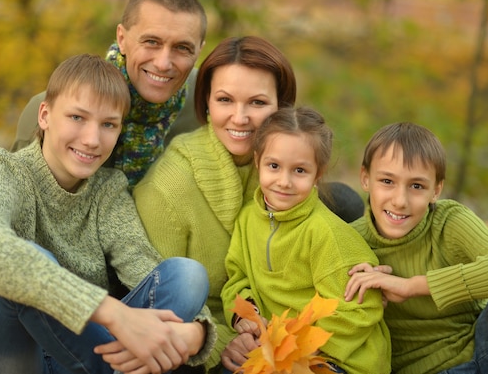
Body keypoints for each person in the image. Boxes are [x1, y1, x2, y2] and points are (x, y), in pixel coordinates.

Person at [0, 54, 216, 374]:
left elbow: (142, 264)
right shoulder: (1, 170)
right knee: (27, 261)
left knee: (187, 276)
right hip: (3, 356)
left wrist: (196, 333)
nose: (91, 139)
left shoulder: (107, 190)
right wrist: (113, 313)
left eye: (108, 125)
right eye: (77, 117)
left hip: (74, 354)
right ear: (44, 115)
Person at [133, 36, 364, 373]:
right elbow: (162, 302)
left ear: (281, 108)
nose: (240, 118)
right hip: (200, 334)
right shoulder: (169, 187)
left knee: (342, 201)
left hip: (283, 326)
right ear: (207, 103)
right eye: (225, 100)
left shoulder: (285, 171)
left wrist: (373, 263)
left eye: (257, 103)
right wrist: (226, 339)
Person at [344, 122, 488, 374]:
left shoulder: (448, 222)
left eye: (417, 186)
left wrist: (411, 286)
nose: (400, 201)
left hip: (487, 352)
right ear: (365, 178)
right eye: (387, 181)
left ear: (436, 190)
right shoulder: (349, 240)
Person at [220, 106, 391, 374]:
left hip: (339, 360)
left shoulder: (326, 234)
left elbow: (361, 309)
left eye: (299, 171)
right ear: (257, 161)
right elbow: (237, 276)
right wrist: (245, 313)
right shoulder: (247, 220)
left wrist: (297, 345)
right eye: (274, 166)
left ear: (318, 173)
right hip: (275, 350)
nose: (284, 181)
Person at [11, 0, 207, 190]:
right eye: (151, 42)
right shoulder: (54, 112)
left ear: (199, 50)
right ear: (122, 38)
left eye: (182, 48)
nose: (163, 63)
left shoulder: (211, 102)